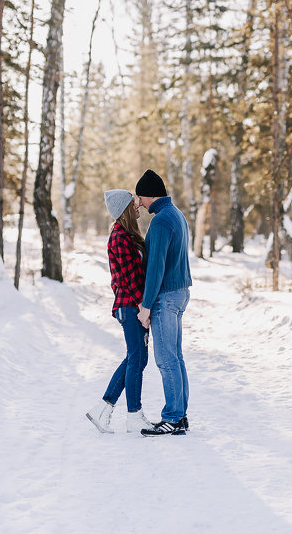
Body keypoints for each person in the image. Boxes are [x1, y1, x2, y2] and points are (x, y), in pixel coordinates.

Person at [86, 189, 154, 434]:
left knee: (137, 358)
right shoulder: (119, 238)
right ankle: (133, 415)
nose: (138, 206)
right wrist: (142, 310)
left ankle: (103, 409)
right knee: (136, 358)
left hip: (132, 305)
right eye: (133, 203)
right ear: (124, 209)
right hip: (129, 306)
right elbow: (129, 279)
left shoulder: (128, 235)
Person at [134, 169, 192, 436]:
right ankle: (179, 415)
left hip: (166, 296)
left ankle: (173, 417)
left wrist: (146, 306)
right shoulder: (176, 215)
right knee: (176, 357)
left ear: (149, 195)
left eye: (140, 197)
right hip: (180, 292)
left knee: (166, 359)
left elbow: (155, 267)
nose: (140, 203)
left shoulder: (159, 222)